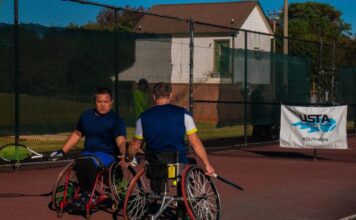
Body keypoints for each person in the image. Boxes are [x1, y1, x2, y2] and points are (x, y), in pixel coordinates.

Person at [124, 82, 215, 193]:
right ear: (170, 95)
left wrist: (128, 158)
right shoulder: (184, 114)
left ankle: (159, 194)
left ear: (153, 96)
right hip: (177, 167)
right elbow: (195, 142)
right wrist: (207, 165)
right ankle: (184, 200)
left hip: (155, 167)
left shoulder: (143, 118)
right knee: (191, 162)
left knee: (155, 164)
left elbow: (135, 144)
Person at [51, 87, 127, 204]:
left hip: (107, 155)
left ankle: (88, 194)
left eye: (106, 102)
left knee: (90, 162)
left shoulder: (116, 120)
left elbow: (121, 141)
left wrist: (126, 153)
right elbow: (77, 133)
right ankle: (85, 193)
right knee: (80, 161)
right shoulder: (86, 116)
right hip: (88, 153)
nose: (103, 105)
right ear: (94, 102)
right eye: (99, 101)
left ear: (111, 102)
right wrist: (62, 151)